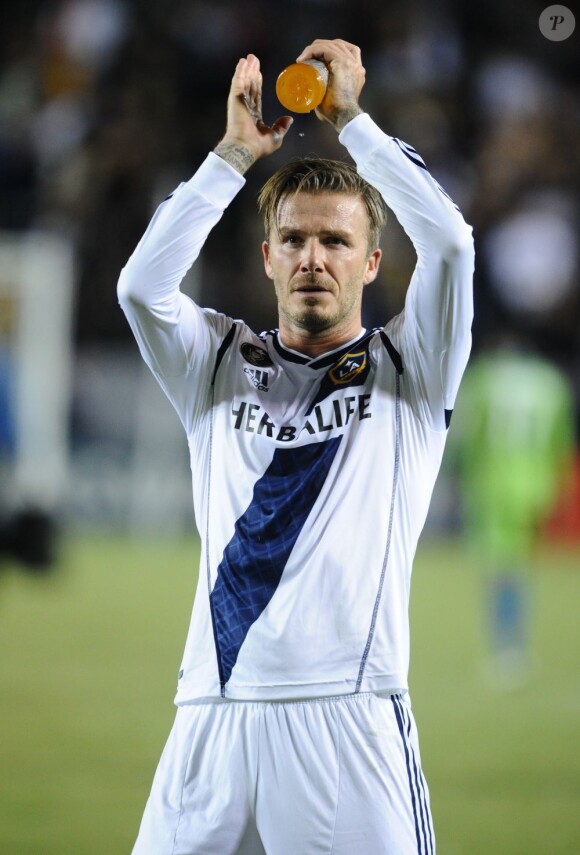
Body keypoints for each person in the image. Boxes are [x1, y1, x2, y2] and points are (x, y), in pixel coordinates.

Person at [118, 38, 474, 855]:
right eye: (296, 239)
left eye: (338, 241)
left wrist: (352, 122)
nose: (315, 256)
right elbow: (140, 287)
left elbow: (452, 244)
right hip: (211, 715)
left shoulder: (411, 370)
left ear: (374, 262)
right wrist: (234, 155)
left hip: (349, 720)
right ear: (268, 257)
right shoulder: (212, 361)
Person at [454, 335, 575, 686]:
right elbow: (561, 441)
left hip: (495, 484)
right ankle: (517, 646)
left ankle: (508, 649)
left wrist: (462, 476)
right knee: (519, 567)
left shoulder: (485, 378)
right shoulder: (550, 382)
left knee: (501, 569)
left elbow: (469, 436)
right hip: (536, 485)